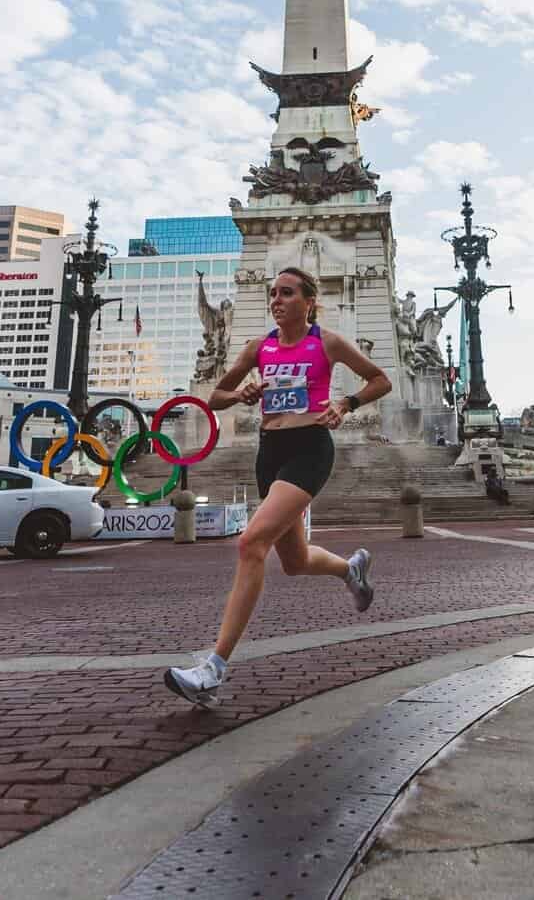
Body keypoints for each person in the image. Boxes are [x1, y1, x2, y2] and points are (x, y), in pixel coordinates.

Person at [164, 266, 393, 707]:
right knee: (295, 560)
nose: (276, 300)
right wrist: (242, 395)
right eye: (272, 293)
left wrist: (346, 403)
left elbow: (380, 379)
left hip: (310, 450)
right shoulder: (258, 347)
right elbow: (215, 397)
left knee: (251, 542)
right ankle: (351, 570)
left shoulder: (327, 342)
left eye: (286, 293)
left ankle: (213, 668)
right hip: (269, 452)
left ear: (309, 301)